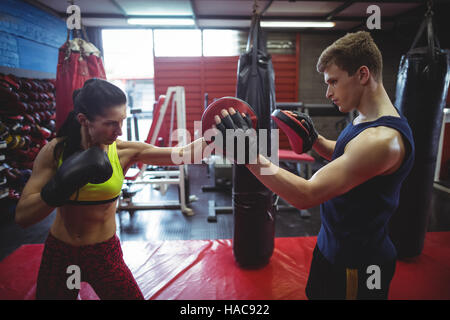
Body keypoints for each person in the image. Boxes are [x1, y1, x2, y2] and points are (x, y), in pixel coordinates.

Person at [209, 31, 414, 300]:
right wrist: (315, 140)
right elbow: (346, 155)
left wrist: (248, 157)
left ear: (363, 74)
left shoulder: (382, 140)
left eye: (333, 82)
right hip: (331, 247)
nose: (328, 92)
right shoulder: (364, 119)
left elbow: (306, 195)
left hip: (356, 265)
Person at [15, 78, 206, 300]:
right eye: (111, 123)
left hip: (103, 256)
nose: (120, 131)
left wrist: (218, 135)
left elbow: (184, 154)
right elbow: (22, 216)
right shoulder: (55, 152)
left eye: (122, 121)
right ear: (83, 120)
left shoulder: (124, 151)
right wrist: (58, 188)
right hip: (63, 255)